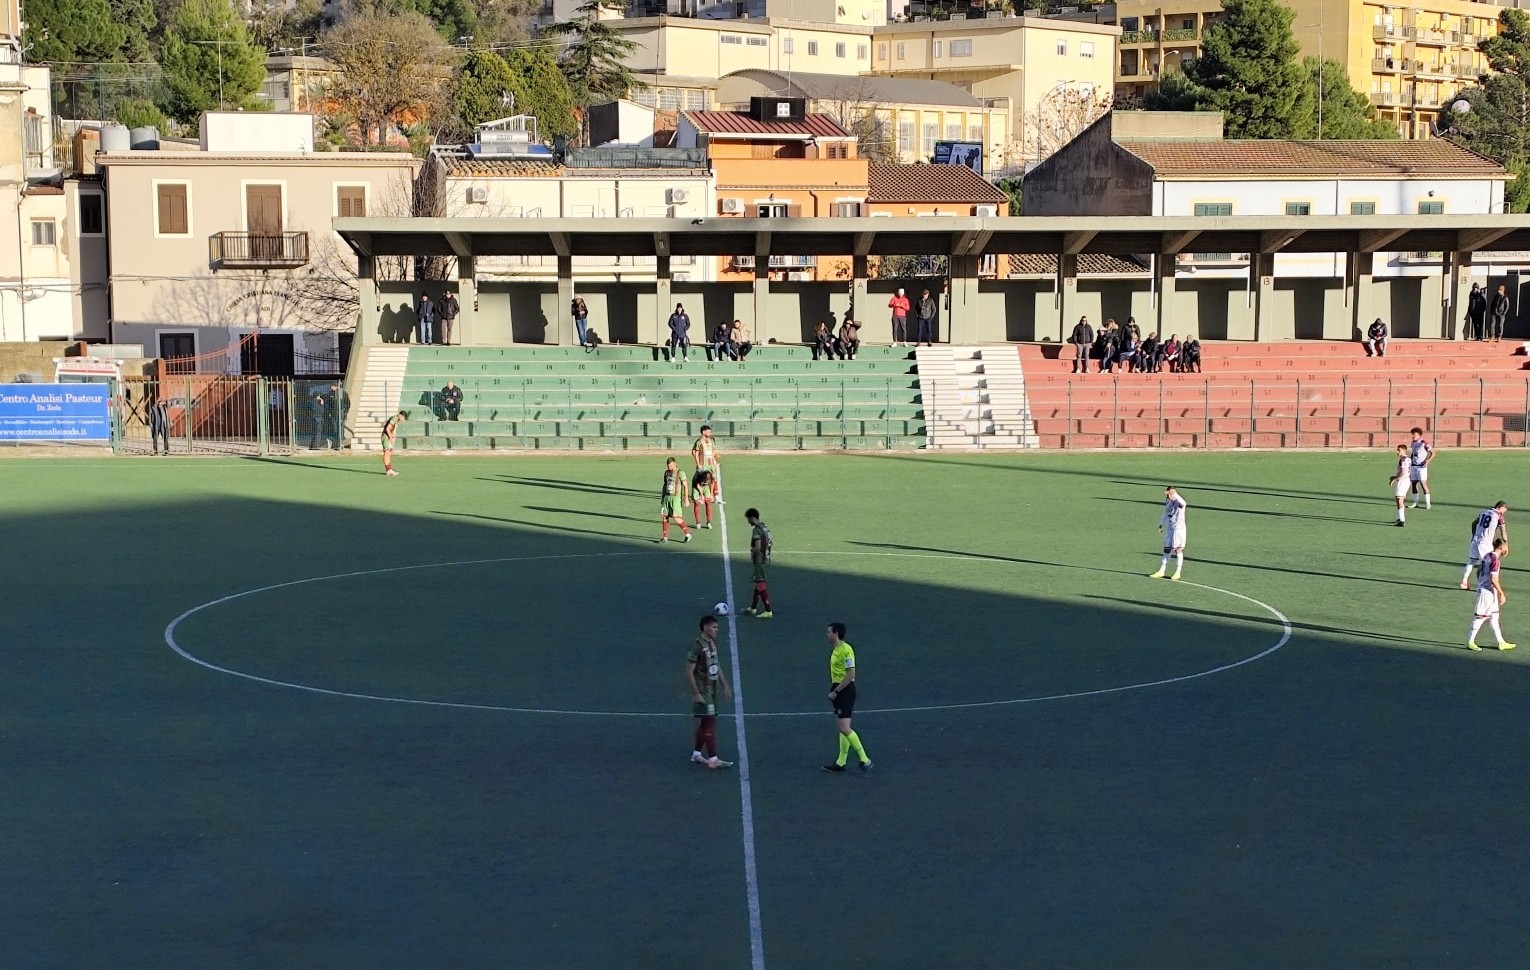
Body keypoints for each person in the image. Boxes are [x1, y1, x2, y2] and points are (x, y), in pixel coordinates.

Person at [821, 622, 872, 773]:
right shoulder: (836, 649)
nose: (827, 634)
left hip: (844, 691)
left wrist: (836, 692)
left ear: (836, 633)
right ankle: (841, 762)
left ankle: (865, 759)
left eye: (829, 632)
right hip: (838, 688)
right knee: (842, 727)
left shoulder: (846, 650)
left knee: (844, 727)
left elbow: (851, 674)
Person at [687, 614, 734, 769]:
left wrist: (725, 684)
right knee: (710, 723)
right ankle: (713, 758)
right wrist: (696, 693)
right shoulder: (697, 646)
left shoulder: (712, 644)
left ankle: (696, 754)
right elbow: (689, 671)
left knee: (706, 722)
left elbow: (716, 664)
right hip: (703, 690)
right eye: (714, 627)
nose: (717, 630)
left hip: (711, 689)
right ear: (706, 627)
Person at [1467, 538, 1516, 652]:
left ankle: (1501, 642)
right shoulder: (1495, 560)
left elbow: (1479, 571)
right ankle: (1470, 641)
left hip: (1488, 591)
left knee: (1494, 617)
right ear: (1501, 547)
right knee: (1480, 617)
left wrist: (1481, 582)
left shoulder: (1487, 555)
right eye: (1505, 547)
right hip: (1487, 593)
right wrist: (1501, 593)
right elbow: (1493, 579)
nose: (1507, 549)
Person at [1461, 502, 1509, 588]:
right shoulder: (1499, 516)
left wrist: (1473, 536)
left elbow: (1474, 523)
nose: (1503, 513)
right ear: (1501, 507)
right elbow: (1503, 532)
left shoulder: (1483, 512)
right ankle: (1486, 584)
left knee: (1471, 561)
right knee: (1489, 563)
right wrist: (1506, 545)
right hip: (1486, 542)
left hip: (1476, 539)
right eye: (1503, 511)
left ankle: (1464, 581)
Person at [1150, 485, 1187, 580]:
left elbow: (1184, 504)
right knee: (1166, 549)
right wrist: (1161, 524)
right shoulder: (1168, 502)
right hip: (1170, 527)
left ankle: (1178, 572)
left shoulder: (1179, 502)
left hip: (1179, 528)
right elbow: (1166, 513)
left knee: (1177, 549)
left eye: (1169, 494)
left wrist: (1175, 495)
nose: (1168, 496)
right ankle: (1162, 570)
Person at [745, 507, 773, 618]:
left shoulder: (756, 530)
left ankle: (768, 610)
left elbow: (757, 546)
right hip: (765, 557)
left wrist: (753, 554)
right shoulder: (765, 527)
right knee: (757, 583)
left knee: (761, 583)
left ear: (752, 518)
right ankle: (753, 608)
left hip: (759, 559)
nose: (748, 521)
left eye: (748, 519)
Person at [659, 457, 693, 543]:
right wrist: (663, 497)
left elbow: (685, 486)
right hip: (667, 497)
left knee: (676, 517)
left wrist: (686, 498)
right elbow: (665, 485)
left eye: (670, 465)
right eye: (667, 465)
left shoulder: (681, 473)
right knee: (665, 516)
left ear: (674, 463)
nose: (668, 466)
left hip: (675, 498)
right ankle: (665, 537)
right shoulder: (666, 473)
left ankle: (687, 533)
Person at [692, 425, 722, 503]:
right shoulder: (699, 441)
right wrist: (698, 463)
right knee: (702, 479)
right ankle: (699, 495)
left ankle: (713, 495)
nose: (710, 433)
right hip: (703, 464)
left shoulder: (711, 440)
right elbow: (695, 452)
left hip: (711, 464)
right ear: (703, 432)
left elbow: (713, 451)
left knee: (713, 478)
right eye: (708, 431)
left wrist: (714, 459)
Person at [1407, 426, 1434, 510]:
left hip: (1422, 467)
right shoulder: (1413, 443)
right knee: (1414, 483)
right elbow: (1413, 453)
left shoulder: (1424, 443)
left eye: (1414, 435)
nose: (1412, 436)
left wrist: (1427, 462)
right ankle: (1415, 502)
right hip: (1414, 466)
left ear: (1419, 435)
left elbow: (1433, 453)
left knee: (1423, 484)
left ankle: (1428, 503)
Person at [1387, 444, 1411, 527]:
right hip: (1407, 480)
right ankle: (1399, 518)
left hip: (1402, 481)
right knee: (1401, 499)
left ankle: (1402, 520)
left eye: (1399, 450)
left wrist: (1395, 479)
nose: (1397, 452)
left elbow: (1403, 472)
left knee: (1399, 500)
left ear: (1403, 450)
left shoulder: (1403, 460)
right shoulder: (1408, 459)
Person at [148, 386, 170, 455]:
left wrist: (163, 400)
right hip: (156, 424)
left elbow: (169, 404)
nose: (160, 402)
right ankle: (155, 450)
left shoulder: (164, 407)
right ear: (156, 402)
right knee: (155, 438)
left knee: (165, 437)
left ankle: (166, 450)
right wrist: (151, 424)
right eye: (158, 401)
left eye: (160, 401)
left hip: (163, 424)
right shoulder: (153, 407)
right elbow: (150, 416)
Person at [381, 410, 404, 476]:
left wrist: (393, 441)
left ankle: (389, 469)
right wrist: (390, 438)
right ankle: (388, 470)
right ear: (401, 415)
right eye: (403, 418)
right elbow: (387, 428)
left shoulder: (396, 421)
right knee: (387, 453)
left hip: (389, 437)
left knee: (389, 453)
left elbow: (394, 432)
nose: (403, 420)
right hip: (386, 437)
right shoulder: (394, 418)